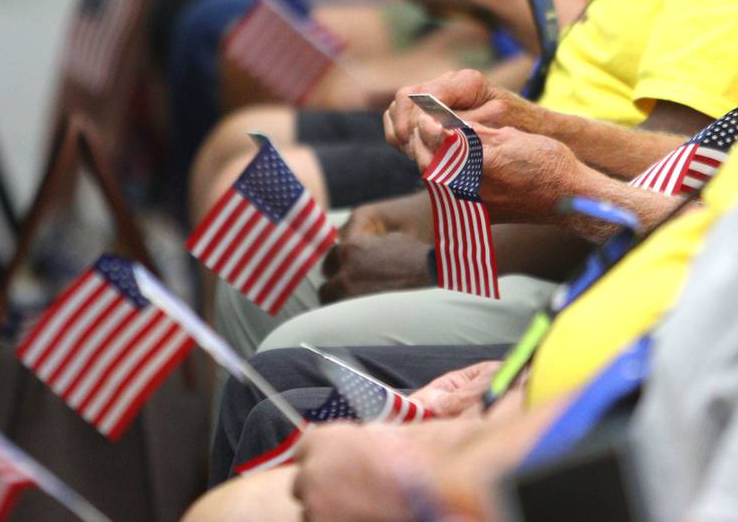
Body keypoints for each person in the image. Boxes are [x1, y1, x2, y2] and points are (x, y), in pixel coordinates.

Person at [184, 144, 738, 521]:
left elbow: (672, 475)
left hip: (584, 459)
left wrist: (424, 491)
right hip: (567, 371)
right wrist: (508, 392)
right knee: (272, 394)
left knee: (258, 461)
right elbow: (664, 351)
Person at [211, 0, 738, 355]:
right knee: (254, 242)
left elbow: (671, 183)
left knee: (265, 237)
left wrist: (433, 262)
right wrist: (498, 105)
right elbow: (566, 64)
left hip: (596, 271)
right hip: (528, 184)